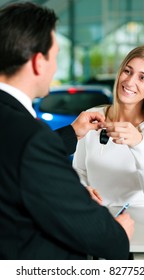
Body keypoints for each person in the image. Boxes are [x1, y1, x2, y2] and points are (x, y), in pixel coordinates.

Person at [0, 2, 134, 260]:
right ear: (39, 62)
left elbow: (15, 158)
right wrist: (118, 233)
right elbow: (96, 234)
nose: (54, 68)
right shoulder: (32, 137)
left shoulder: (17, 127)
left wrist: (72, 132)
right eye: (56, 56)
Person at [73, 45, 144, 207]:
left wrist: (138, 144)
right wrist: (83, 189)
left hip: (141, 222)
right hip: (96, 217)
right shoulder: (93, 116)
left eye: (142, 78)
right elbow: (79, 170)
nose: (130, 81)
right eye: (127, 71)